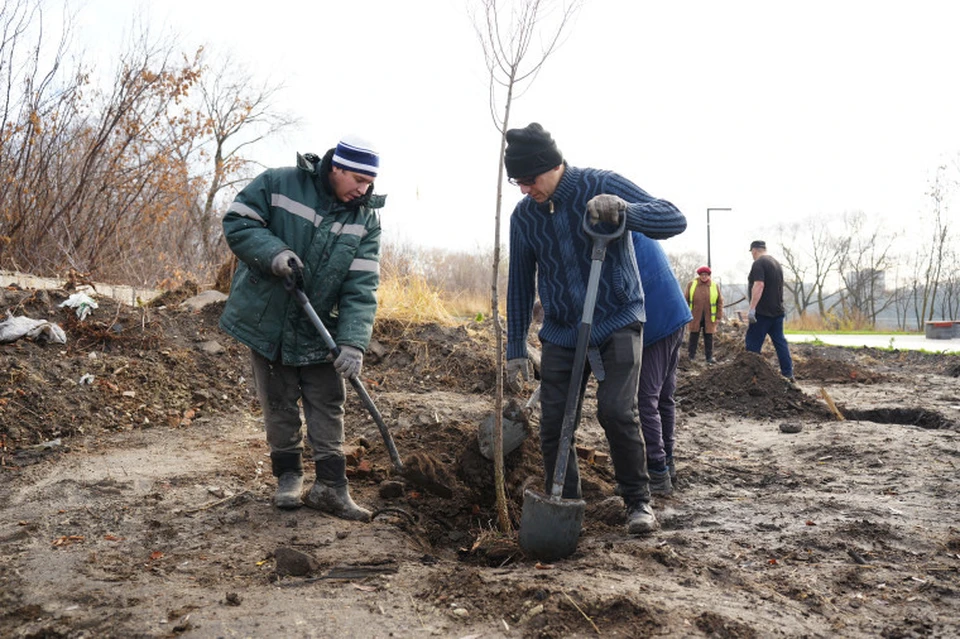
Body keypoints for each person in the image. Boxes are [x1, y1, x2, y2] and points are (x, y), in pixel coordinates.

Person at [503, 122, 687, 535]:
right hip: (563, 332)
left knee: (616, 411)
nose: (523, 189)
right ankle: (566, 506)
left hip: (618, 320)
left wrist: (625, 212)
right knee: (554, 424)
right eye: (516, 182)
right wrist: (516, 344)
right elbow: (519, 283)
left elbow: (673, 218)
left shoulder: (600, 184)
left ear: (553, 166)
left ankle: (639, 502)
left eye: (529, 180)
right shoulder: (525, 217)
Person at [219, 135, 385, 521]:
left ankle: (331, 486)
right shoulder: (279, 183)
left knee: (328, 400)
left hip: (318, 325)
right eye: (358, 180)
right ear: (336, 168)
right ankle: (288, 477)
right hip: (269, 319)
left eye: (370, 183)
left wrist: (353, 343)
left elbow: (362, 286)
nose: (364, 190)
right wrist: (273, 254)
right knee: (278, 401)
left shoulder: (366, 220)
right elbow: (239, 222)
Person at [634, 233, 692, 497]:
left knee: (647, 399)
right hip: (676, 316)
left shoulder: (614, 234)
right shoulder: (639, 228)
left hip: (656, 322)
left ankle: (657, 470)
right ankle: (668, 462)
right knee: (665, 397)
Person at [745, 240, 794, 381]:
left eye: (752, 253)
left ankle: (751, 376)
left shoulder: (759, 263)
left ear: (754, 250)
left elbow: (759, 285)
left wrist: (752, 308)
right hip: (777, 311)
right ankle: (788, 373)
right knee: (780, 342)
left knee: (752, 345)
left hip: (762, 313)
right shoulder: (776, 264)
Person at [685, 265, 724, 363]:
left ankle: (709, 357)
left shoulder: (714, 286)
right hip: (695, 316)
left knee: (709, 337)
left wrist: (718, 316)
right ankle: (691, 356)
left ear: (709, 276)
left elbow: (719, 302)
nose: (704, 277)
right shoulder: (692, 284)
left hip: (709, 317)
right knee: (693, 336)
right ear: (699, 275)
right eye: (702, 275)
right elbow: (685, 299)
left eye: (706, 275)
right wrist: (686, 314)